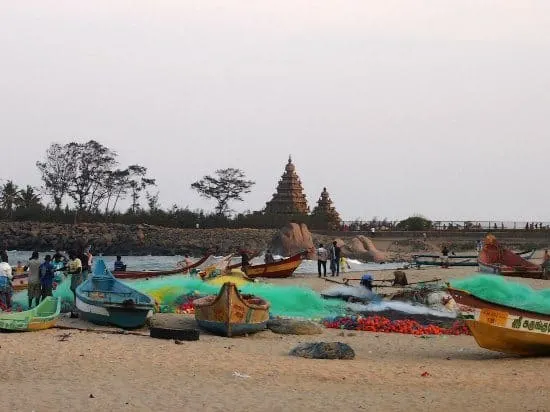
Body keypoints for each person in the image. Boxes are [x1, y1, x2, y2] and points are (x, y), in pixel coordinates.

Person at [67, 251, 83, 315]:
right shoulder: (71, 261)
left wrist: (70, 273)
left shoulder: (78, 260)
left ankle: (77, 306)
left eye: (70, 255)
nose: (69, 256)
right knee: (73, 289)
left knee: (77, 290)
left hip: (78, 277)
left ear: (73, 255)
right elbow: (66, 267)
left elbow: (79, 270)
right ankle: (76, 304)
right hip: (73, 277)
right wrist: (57, 270)